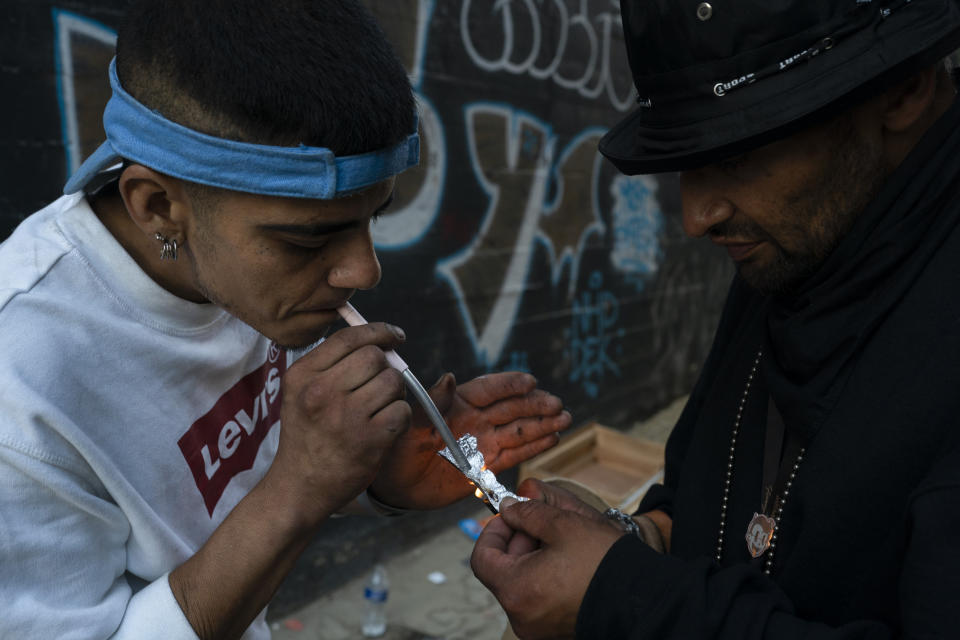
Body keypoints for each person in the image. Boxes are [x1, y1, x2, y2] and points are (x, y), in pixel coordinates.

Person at [0, 1, 572, 638]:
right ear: (159, 206)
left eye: (372, 218)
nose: (363, 270)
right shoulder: (21, 387)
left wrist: (373, 480)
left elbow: (232, 492)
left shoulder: (243, 274)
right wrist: (298, 490)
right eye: (308, 241)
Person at [471, 0, 960, 637]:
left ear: (901, 89)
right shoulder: (804, 246)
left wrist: (629, 601)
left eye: (735, 157)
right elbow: (710, 498)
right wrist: (630, 539)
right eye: (686, 164)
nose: (695, 218)